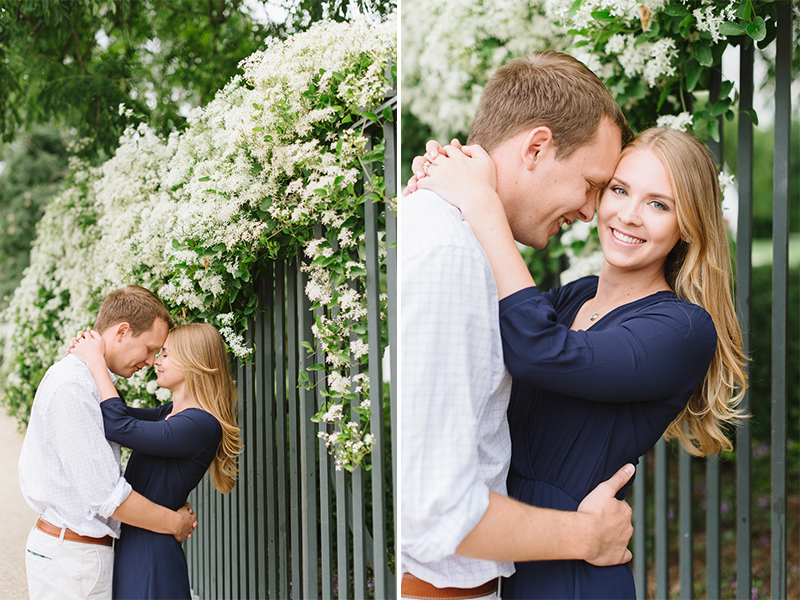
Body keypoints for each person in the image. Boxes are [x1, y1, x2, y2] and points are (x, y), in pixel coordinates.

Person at [414, 127, 748, 598]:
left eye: (659, 204)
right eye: (619, 190)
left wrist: (480, 199)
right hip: (499, 547)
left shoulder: (683, 329)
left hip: (570, 573)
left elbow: (539, 350)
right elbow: (479, 327)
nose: (628, 216)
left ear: (687, 226)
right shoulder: (574, 297)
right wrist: (446, 181)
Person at [400, 51, 636, 600]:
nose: (591, 211)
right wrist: (588, 535)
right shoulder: (449, 252)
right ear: (536, 148)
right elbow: (439, 507)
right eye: (593, 183)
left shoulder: (463, 238)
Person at [18, 285, 197, 600]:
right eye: (150, 348)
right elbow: (105, 496)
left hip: (77, 557)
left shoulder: (87, 381)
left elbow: (130, 422)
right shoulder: (73, 386)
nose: (151, 361)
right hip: (72, 562)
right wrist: (175, 523)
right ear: (123, 331)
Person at [69, 322, 242, 599]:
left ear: (192, 362)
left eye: (166, 354)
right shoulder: (169, 413)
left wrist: (96, 362)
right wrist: (97, 356)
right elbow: (112, 413)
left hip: (151, 553)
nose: (155, 361)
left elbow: (119, 425)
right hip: (140, 542)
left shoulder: (201, 424)